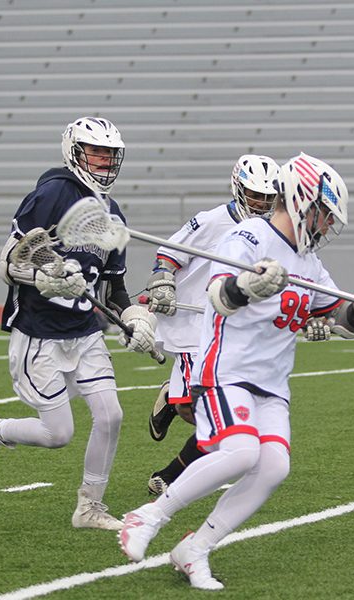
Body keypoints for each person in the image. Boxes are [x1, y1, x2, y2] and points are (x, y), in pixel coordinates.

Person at [117, 153, 354, 590]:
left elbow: (334, 317)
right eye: (323, 214)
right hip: (226, 368)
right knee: (242, 452)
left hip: (271, 379)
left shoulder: (309, 263)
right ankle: (150, 515)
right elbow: (218, 298)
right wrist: (247, 286)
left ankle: (194, 549)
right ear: (302, 203)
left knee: (273, 467)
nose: (325, 225)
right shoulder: (247, 235)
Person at [0, 117, 158, 531]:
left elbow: (112, 290)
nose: (105, 160)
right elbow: (7, 262)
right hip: (40, 332)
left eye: (111, 153)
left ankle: (90, 506)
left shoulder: (112, 213)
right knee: (58, 434)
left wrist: (133, 318)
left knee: (111, 415)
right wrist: (44, 278)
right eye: (97, 151)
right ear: (75, 151)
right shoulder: (53, 193)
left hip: (85, 333)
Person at [145, 154, 281, 497]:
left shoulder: (272, 231)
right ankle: (173, 419)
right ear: (238, 188)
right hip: (193, 324)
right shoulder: (212, 221)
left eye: (268, 197)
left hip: (231, 326)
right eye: (255, 195)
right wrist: (162, 279)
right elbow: (169, 251)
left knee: (214, 415)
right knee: (202, 412)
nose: (262, 203)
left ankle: (169, 474)